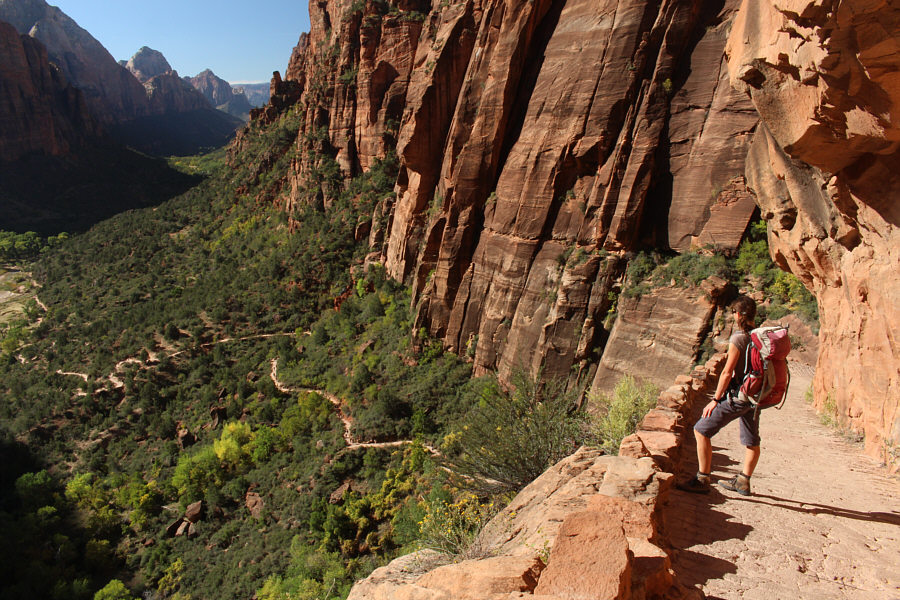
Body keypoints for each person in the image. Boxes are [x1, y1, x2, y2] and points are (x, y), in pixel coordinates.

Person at [677, 296, 759, 496]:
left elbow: (727, 372)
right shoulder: (758, 336)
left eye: (734, 313)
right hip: (756, 396)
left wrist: (715, 400)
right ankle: (743, 481)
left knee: (700, 430)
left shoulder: (739, 338)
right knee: (752, 441)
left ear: (737, 315)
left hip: (739, 396)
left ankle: (702, 479)